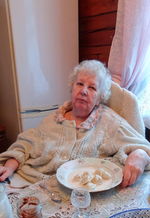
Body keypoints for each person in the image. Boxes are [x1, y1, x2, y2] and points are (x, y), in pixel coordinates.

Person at [0, 60, 150, 187]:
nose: (84, 91)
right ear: (72, 89)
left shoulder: (110, 122)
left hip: (79, 196)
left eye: (92, 87)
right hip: (30, 183)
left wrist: (140, 155)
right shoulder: (54, 118)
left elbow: (142, 146)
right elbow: (27, 143)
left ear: (100, 98)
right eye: (80, 84)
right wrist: (10, 165)